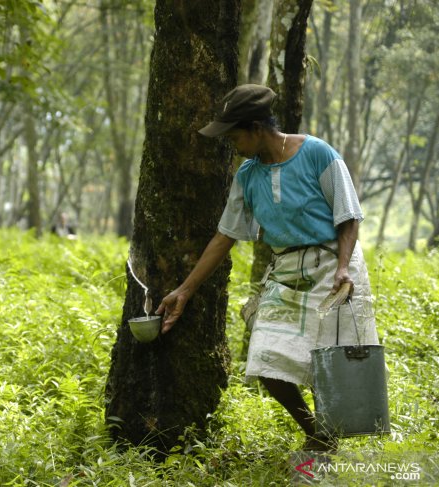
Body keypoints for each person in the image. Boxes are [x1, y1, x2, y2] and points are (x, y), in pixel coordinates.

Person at [155, 84, 379, 452]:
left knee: (330, 363)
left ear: (257, 128)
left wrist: (343, 268)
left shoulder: (317, 153)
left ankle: (326, 447)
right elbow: (224, 237)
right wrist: (184, 290)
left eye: (235, 136)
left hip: (332, 266)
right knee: (264, 358)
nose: (232, 145)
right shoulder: (248, 175)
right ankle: (318, 434)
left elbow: (349, 216)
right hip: (287, 269)